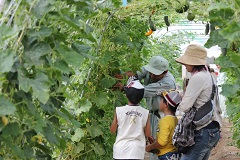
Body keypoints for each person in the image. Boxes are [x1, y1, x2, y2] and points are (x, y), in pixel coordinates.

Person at [120, 56, 176, 160]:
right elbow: (138, 73)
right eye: (150, 72)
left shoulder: (168, 83)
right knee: (152, 142)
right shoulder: (151, 70)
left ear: (165, 72)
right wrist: (126, 76)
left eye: (155, 74)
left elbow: (142, 91)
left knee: (158, 146)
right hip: (153, 114)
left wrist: (124, 88)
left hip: (162, 116)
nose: (151, 75)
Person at [175, 44, 222, 160]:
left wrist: (179, 98)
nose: (185, 65)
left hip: (203, 131)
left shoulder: (197, 78)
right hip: (212, 128)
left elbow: (185, 107)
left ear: (193, 62)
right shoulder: (209, 76)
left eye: (186, 62)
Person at [110, 77, 151, 160]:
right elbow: (147, 134)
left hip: (120, 151)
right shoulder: (145, 113)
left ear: (127, 95)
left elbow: (112, 130)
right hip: (137, 152)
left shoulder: (119, 111)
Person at [146, 90, 181, 160]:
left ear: (166, 104)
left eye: (161, 100)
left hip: (165, 155)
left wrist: (149, 147)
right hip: (174, 154)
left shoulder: (164, 121)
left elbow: (162, 142)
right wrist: (155, 141)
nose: (159, 102)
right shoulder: (175, 119)